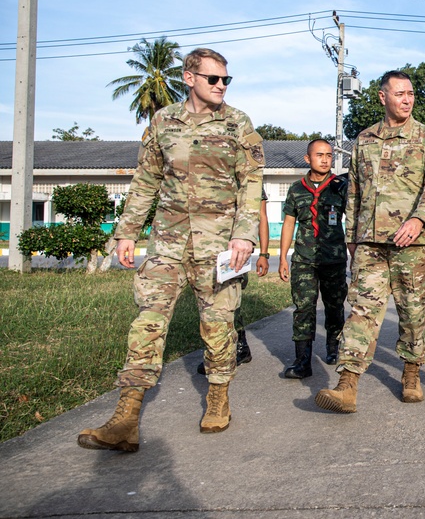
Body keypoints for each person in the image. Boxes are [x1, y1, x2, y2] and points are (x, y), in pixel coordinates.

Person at [78, 48, 264, 451]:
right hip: (167, 240)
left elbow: (251, 183)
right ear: (189, 78)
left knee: (217, 323)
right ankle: (126, 418)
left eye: (225, 80)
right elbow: (146, 180)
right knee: (147, 321)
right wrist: (127, 232)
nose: (221, 86)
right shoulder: (163, 122)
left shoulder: (238, 123)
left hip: (219, 243)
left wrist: (244, 235)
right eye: (213, 79)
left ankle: (218, 399)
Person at [314, 71, 425, 414]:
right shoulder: (364, 139)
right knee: (360, 312)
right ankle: (347, 385)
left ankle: (411, 372)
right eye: (399, 93)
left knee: (411, 313)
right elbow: (355, 193)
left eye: (411, 93)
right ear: (382, 97)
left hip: (411, 245)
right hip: (369, 244)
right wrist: (352, 238)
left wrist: (419, 220)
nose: (407, 99)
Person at [277, 139, 349, 379]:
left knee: (335, 306)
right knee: (303, 308)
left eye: (329, 155)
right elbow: (289, 223)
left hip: (334, 258)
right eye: (319, 155)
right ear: (308, 159)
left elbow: (356, 217)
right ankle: (302, 361)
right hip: (304, 259)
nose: (326, 159)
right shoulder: (297, 189)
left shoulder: (341, 186)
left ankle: (333, 346)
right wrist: (283, 258)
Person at [196, 194, 268, 375]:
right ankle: (222, 351)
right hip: (207, 248)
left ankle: (234, 349)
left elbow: (261, 215)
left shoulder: (246, 174)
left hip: (234, 251)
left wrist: (264, 254)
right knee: (209, 302)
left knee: (230, 301)